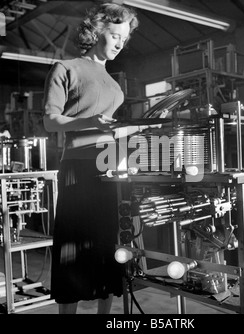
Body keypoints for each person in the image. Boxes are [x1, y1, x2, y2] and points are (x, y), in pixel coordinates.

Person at [42, 2, 148, 314]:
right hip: (78, 167)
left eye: (124, 39)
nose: (120, 43)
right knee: (73, 247)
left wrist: (135, 129)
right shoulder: (66, 68)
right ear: (97, 31)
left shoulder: (113, 81)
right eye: (116, 35)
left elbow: (109, 128)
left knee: (107, 247)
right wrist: (91, 122)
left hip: (110, 165)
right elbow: (50, 121)